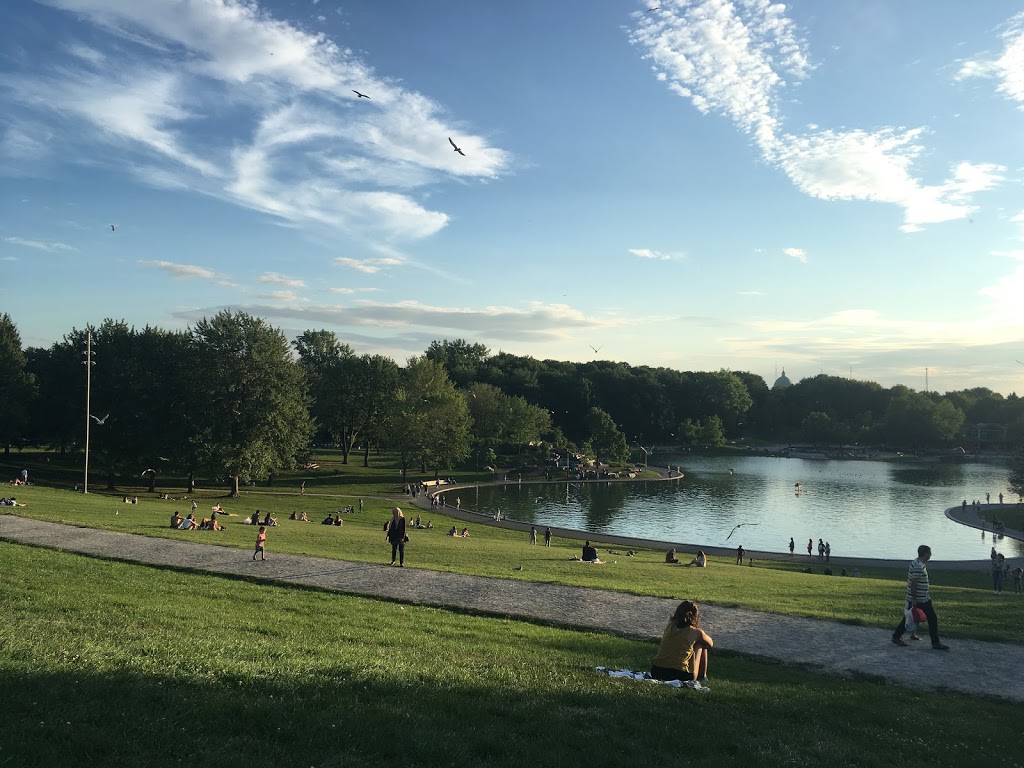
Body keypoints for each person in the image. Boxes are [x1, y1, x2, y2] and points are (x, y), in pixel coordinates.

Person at [892, 545, 948, 650]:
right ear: (925, 553)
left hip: (923, 597)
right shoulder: (918, 566)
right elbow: (914, 583)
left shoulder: (918, 563)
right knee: (930, 618)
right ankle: (935, 642)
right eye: (930, 553)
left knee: (910, 617)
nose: (931, 555)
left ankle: (897, 636)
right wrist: (914, 598)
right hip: (920, 599)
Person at [650, 600, 713, 690]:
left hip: (657, 671)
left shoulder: (670, 625)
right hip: (680, 675)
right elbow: (710, 643)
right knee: (701, 644)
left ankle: (701, 675)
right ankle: (702, 676)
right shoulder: (696, 632)